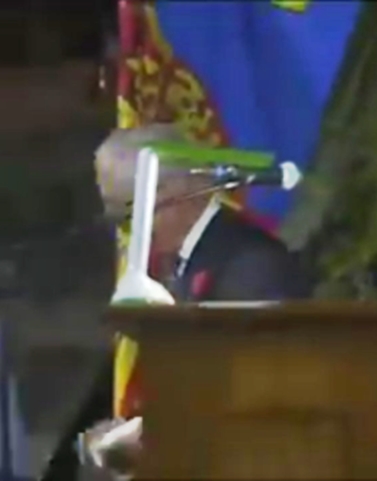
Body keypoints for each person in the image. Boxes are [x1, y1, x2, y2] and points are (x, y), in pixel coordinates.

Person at [41, 123, 310, 480]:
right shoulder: (186, 264)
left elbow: (253, 397)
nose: (127, 234)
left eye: (128, 214)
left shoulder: (250, 265)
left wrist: (148, 437)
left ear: (173, 192)